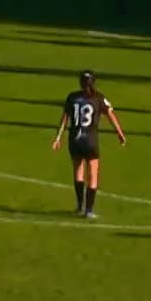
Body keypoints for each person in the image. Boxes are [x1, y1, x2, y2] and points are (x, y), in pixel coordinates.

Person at [51, 70, 126, 219]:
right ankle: (89, 210)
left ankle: (80, 206)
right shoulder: (99, 98)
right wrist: (119, 133)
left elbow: (65, 118)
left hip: (75, 140)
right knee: (93, 176)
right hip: (90, 141)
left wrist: (58, 137)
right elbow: (110, 114)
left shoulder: (72, 97)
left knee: (78, 172)